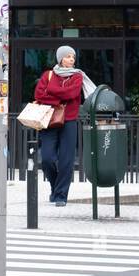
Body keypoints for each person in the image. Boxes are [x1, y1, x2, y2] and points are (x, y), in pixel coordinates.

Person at [32, 46, 96, 207]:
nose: (71, 60)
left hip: (69, 121)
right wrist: (59, 99)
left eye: (73, 57)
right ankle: (55, 187)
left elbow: (72, 94)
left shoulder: (77, 76)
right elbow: (39, 95)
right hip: (49, 120)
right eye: (68, 57)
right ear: (60, 58)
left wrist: (52, 93)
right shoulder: (48, 75)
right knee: (47, 158)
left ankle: (61, 195)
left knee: (66, 161)